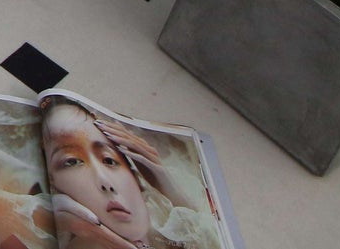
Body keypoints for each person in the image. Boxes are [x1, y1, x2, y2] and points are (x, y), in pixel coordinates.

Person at [39, 101, 222, 249]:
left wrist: (171, 188)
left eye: (109, 160)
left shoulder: (184, 226)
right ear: (53, 183)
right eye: (72, 162)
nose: (105, 182)